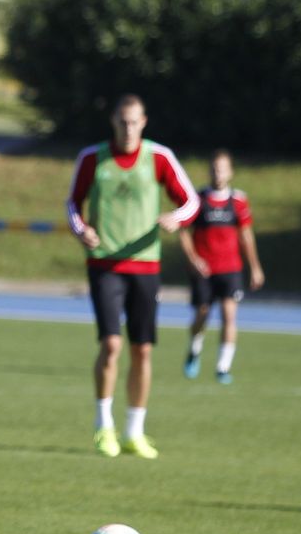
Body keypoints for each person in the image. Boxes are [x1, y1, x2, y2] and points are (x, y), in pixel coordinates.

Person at [65, 95, 199, 460]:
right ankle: (103, 426)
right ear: (113, 121)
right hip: (105, 264)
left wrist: (177, 218)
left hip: (145, 265)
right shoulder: (93, 158)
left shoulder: (159, 158)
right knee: (111, 345)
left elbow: (190, 201)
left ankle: (134, 431)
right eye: (122, 121)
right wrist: (81, 231)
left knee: (142, 350)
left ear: (144, 122)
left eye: (134, 122)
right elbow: (73, 203)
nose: (128, 128)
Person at [178, 150, 265, 385]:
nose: (218, 172)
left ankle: (222, 367)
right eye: (214, 168)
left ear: (230, 172)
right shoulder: (197, 199)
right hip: (204, 269)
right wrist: (193, 258)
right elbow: (184, 231)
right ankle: (194, 349)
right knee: (202, 314)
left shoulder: (238, 201)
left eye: (222, 168)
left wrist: (255, 267)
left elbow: (246, 235)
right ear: (209, 171)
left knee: (229, 315)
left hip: (230, 268)